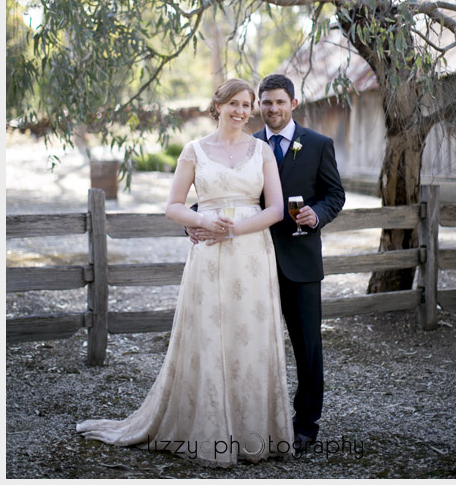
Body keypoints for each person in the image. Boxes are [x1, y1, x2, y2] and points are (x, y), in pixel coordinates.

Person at [77, 79, 292, 467]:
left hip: (252, 254)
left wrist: (235, 228)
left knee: (250, 335)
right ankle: (210, 429)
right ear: (218, 105)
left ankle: (253, 434)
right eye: (233, 103)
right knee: (211, 333)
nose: (241, 111)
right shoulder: (195, 150)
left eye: (247, 105)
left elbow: (275, 209)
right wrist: (202, 220)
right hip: (208, 255)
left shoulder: (262, 151)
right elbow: (173, 206)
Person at [247, 74, 346, 451]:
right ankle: (257, 417)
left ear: (294, 103)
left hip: (301, 263)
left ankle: (306, 424)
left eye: (279, 102)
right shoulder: (249, 146)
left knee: (307, 346)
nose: (272, 108)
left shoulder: (318, 145)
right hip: (254, 261)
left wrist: (316, 215)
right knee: (254, 343)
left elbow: (334, 194)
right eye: (266, 102)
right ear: (260, 104)